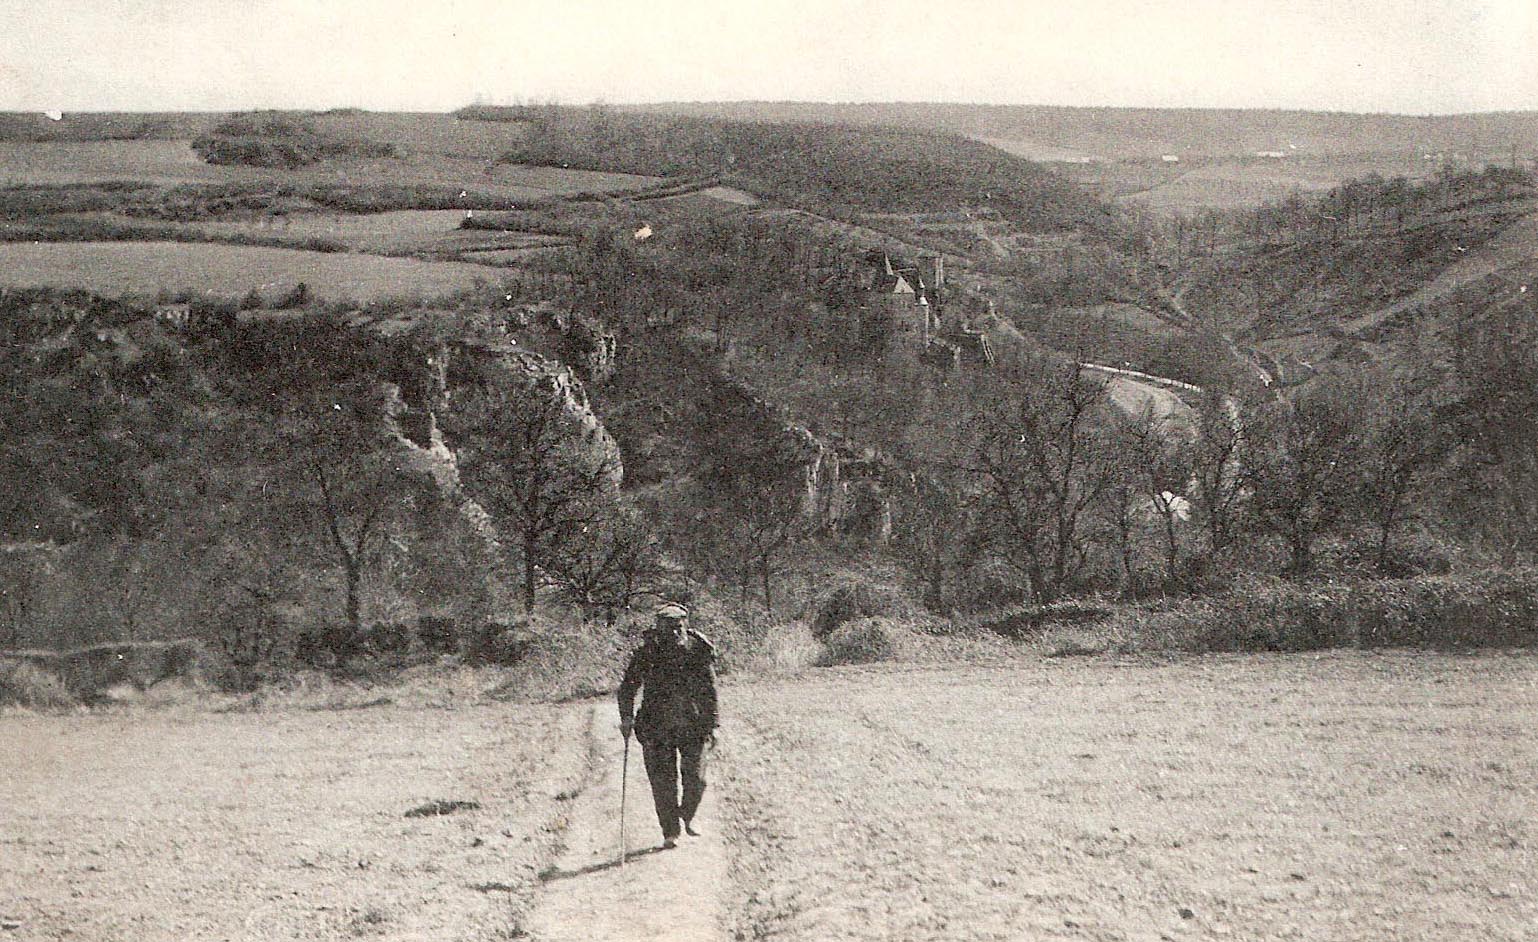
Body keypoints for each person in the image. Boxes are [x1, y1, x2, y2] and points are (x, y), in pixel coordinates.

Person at [617, 603, 719, 849]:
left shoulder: (697, 650)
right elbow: (628, 688)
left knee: (696, 779)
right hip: (655, 725)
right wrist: (626, 718)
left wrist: (713, 723)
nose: (674, 633)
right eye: (668, 628)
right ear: (658, 628)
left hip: (693, 725)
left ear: (685, 626)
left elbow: (709, 690)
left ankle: (688, 815)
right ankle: (670, 831)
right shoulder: (647, 652)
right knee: (663, 782)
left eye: (678, 627)